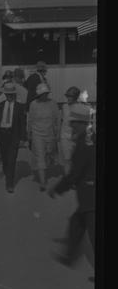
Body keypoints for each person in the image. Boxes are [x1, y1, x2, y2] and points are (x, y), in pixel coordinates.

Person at [48, 103, 95, 271]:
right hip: (88, 196)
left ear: (82, 123)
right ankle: (68, 257)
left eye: (73, 122)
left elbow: (75, 173)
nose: (70, 125)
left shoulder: (84, 143)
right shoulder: (91, 137)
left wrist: (57, 189)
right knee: (76, 224)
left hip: (91, 197)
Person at [0, 82, 27, 194]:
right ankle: (7, 171)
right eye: (8, 94)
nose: (10, 96)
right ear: (5, 94)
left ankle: (9, 184)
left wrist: (23, 138)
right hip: (2, 134)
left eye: (12, 94)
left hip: (13, 135)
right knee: (5, 159)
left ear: (14, 94)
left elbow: (22, 123)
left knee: (12, 160)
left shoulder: (20, 107)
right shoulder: (0, 105)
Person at [28, 83, 60, 191]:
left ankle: (46, 168)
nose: (45, 95)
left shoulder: (53, 104)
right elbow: (30, 120)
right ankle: (43, 182)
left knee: (49, 154)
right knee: (40, 156)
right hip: (37, 135)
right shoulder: (33, 104)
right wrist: (29, 134)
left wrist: (57, 133)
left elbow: (57, 119)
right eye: (43, 94)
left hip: (50, 134)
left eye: (46, 93)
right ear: (39, 95)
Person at [59, 86, 82, 174]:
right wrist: (58, 134)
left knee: (76, 159)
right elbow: (61, 121)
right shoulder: (64, 107)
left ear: (75, 97)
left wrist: (77, 134)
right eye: (67, 96)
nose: (67, 98)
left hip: (76, 137)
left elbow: (83, 124)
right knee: (67, 159)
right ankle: (68, 179)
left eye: (70, 96)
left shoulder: (80, 108)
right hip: (64, 137)